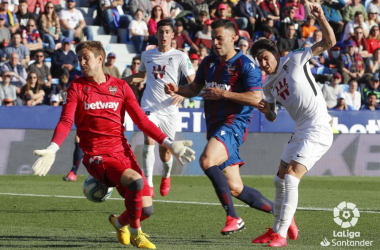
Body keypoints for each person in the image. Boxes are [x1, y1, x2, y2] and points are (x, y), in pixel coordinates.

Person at [31, 40, 195, 249]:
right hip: (96, 156)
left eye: (85, 57)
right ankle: (137, 234)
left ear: (100, 59)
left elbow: (142, 121)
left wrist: (170, 144)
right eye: (79, 57)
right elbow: (66, 121)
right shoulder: (76, 87)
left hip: (122, 153)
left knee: (146, 210)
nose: (81, 62)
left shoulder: (121, 86)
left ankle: (118, 223)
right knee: (135, 181)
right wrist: (53, 148)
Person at [165, 19, 288, 236]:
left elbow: (255, 97)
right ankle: (284, 216)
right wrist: (178, 89)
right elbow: (195, 87)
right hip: (215, 127)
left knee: (206, 160)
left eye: (219, 38)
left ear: (233, 38)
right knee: (235, 188)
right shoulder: (209, 62)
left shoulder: (245, 65)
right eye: (213, 38)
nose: (214, 42)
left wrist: (224, 94)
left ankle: (233, 217)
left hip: (233, 125)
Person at [249, 4, 335, 247]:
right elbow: (273, 116)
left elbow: (329, 42)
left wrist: (321, 18)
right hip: (300, 131)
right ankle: (278, 226)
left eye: (265, 58)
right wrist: (267, 110)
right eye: (259, 61)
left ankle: (282, 235)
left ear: (275, 54)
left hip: (318, 128)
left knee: (291, 179)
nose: (263, 64)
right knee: (278, 180)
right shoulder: (267, 86)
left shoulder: (296, 58)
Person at [125, 19, 196, 197]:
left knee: (165, 152)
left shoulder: (180, 56)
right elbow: (141, 75)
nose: (163, 35)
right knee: (148, 140)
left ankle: (166, 175)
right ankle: (148, 184)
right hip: (149, 106)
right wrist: (120, 82)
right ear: (156, 34)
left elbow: (193, 83)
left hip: (169, 109)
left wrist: (182, 94)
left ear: (173, 35)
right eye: (161, 31)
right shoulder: (147, 55)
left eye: (167, 32)